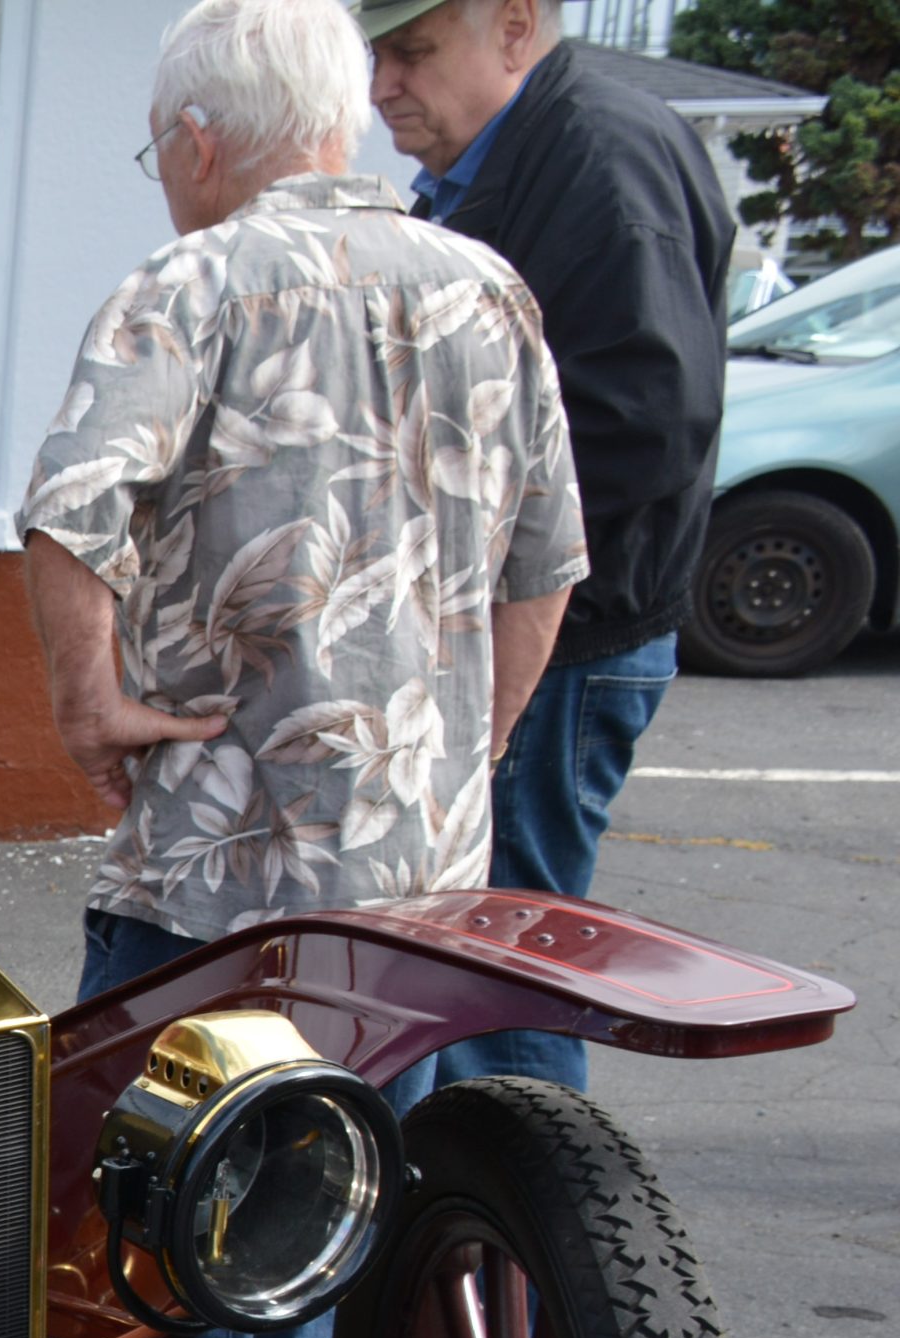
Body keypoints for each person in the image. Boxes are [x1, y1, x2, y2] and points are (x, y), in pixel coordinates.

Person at [20, 0, 585, 1338]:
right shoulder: (488, 288)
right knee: (357, 1172)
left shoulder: (192, 283)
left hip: (220, 844)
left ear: (200, 140)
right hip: (414, 858)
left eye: (158, 153)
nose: (161, 178)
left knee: (173, 1178)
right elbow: (546, 568)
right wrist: (471, 747)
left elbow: (71, 512)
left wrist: (92, 708)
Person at [362, 0, 735, 1089]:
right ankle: (493, 1227)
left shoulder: (594, 157)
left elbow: (643, 423)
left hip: (559, 636)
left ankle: (525, 1249)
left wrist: (449, 560)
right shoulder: (536, 146)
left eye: (413, 52)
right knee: (477, 955)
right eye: (377, 53)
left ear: (514, 27)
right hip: (543, 621)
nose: (382, 84)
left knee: (499, 971)